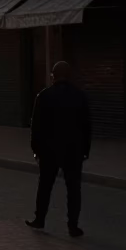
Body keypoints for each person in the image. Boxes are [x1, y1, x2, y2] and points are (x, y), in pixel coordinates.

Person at [26, 61, 92, 237]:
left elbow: (36, 126)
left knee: (45, 186)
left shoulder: (44, 96)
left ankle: (40, 219)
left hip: (49, 150)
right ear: (69, 76)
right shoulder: (79, 96)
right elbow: (86, 125)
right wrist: (86, 149)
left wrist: (36, 149)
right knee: (73, 189)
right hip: (74, 150)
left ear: (53, 76)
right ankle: (73, 226)